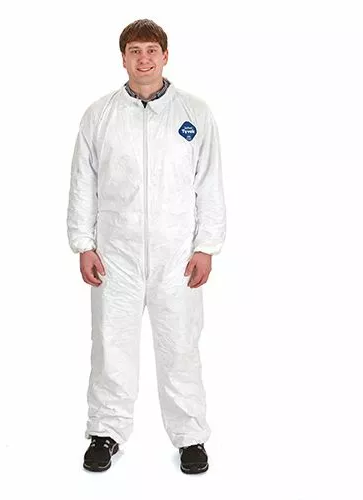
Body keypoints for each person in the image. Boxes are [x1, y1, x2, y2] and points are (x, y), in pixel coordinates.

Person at [67, 19, 227, 474]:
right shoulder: (99, 115)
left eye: (151, 50)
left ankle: (190, 437)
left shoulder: (194, 114)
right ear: (123, 58)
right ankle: (106, 432)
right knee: (111, 345)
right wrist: (83, 243)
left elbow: (209, 183)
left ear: (165, 56)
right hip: (115, 255)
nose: (143, 59)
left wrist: (206, 246)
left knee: (180, 346)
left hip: (177, 256)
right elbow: (83, 182)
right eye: (134, 50)